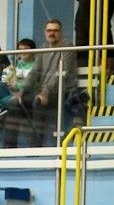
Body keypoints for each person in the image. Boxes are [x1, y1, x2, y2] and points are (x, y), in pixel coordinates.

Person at [3, 19, 78, 148]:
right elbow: (34, 72)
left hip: (63, 91)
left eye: (55, 30)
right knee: (15, 102)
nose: (52, 33)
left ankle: (35, 147)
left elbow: (61, 74)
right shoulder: (43, 48)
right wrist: (21, 92)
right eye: (49, 30)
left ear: (61, 32)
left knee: (38, 101)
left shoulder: (68, 47)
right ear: (45, 32)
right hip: (44, 91)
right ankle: (8, 148)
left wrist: (45, 92)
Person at [0, 39, 36, 113]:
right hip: (13, 92)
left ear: (33, 51)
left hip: (26, 94)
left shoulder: (36, 65)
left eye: (26, 49)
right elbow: (6, 81)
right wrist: (10, 84)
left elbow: (30, 84)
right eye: (20, 49)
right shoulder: (16, 65)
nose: (22, 52)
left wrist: (14, 84)